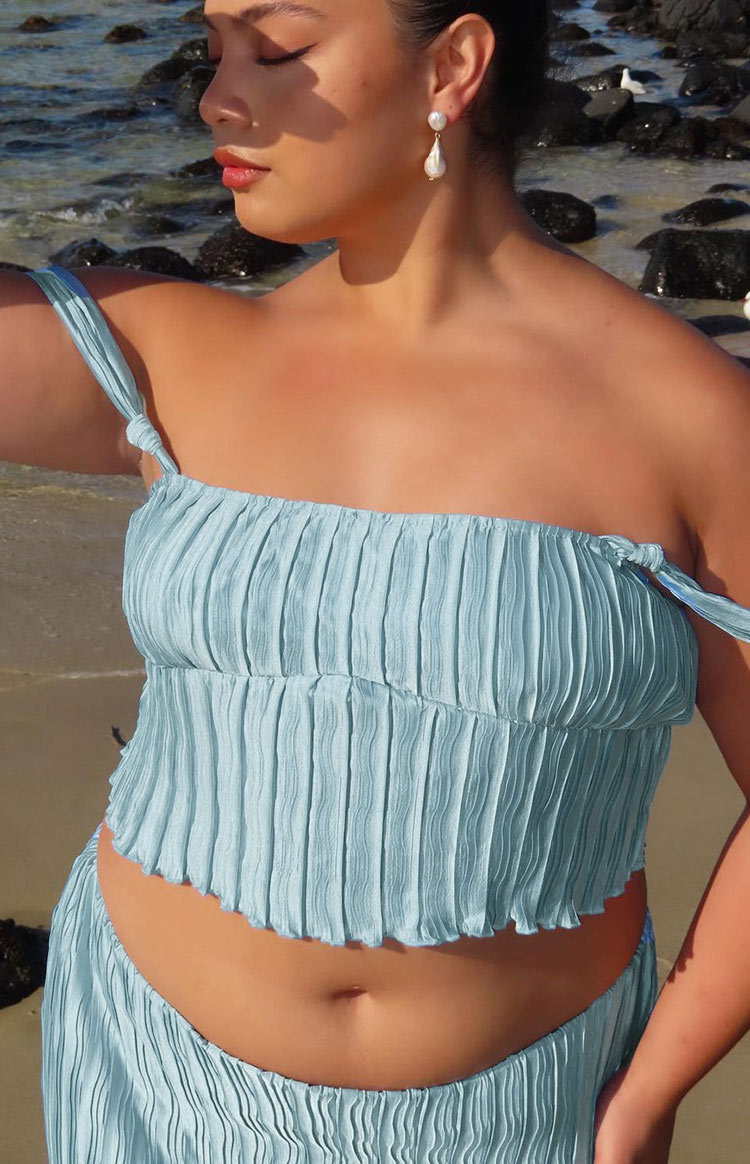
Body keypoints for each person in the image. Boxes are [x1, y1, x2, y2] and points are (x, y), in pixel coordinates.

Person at [3, 2, 750, 1161]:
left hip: (528, 1114)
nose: (217, 98)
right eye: (215, 50)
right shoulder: (168, 351)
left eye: (277, 49)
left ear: (452, 64)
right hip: (147, 1080)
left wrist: (652, 1094)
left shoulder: (689, 417)